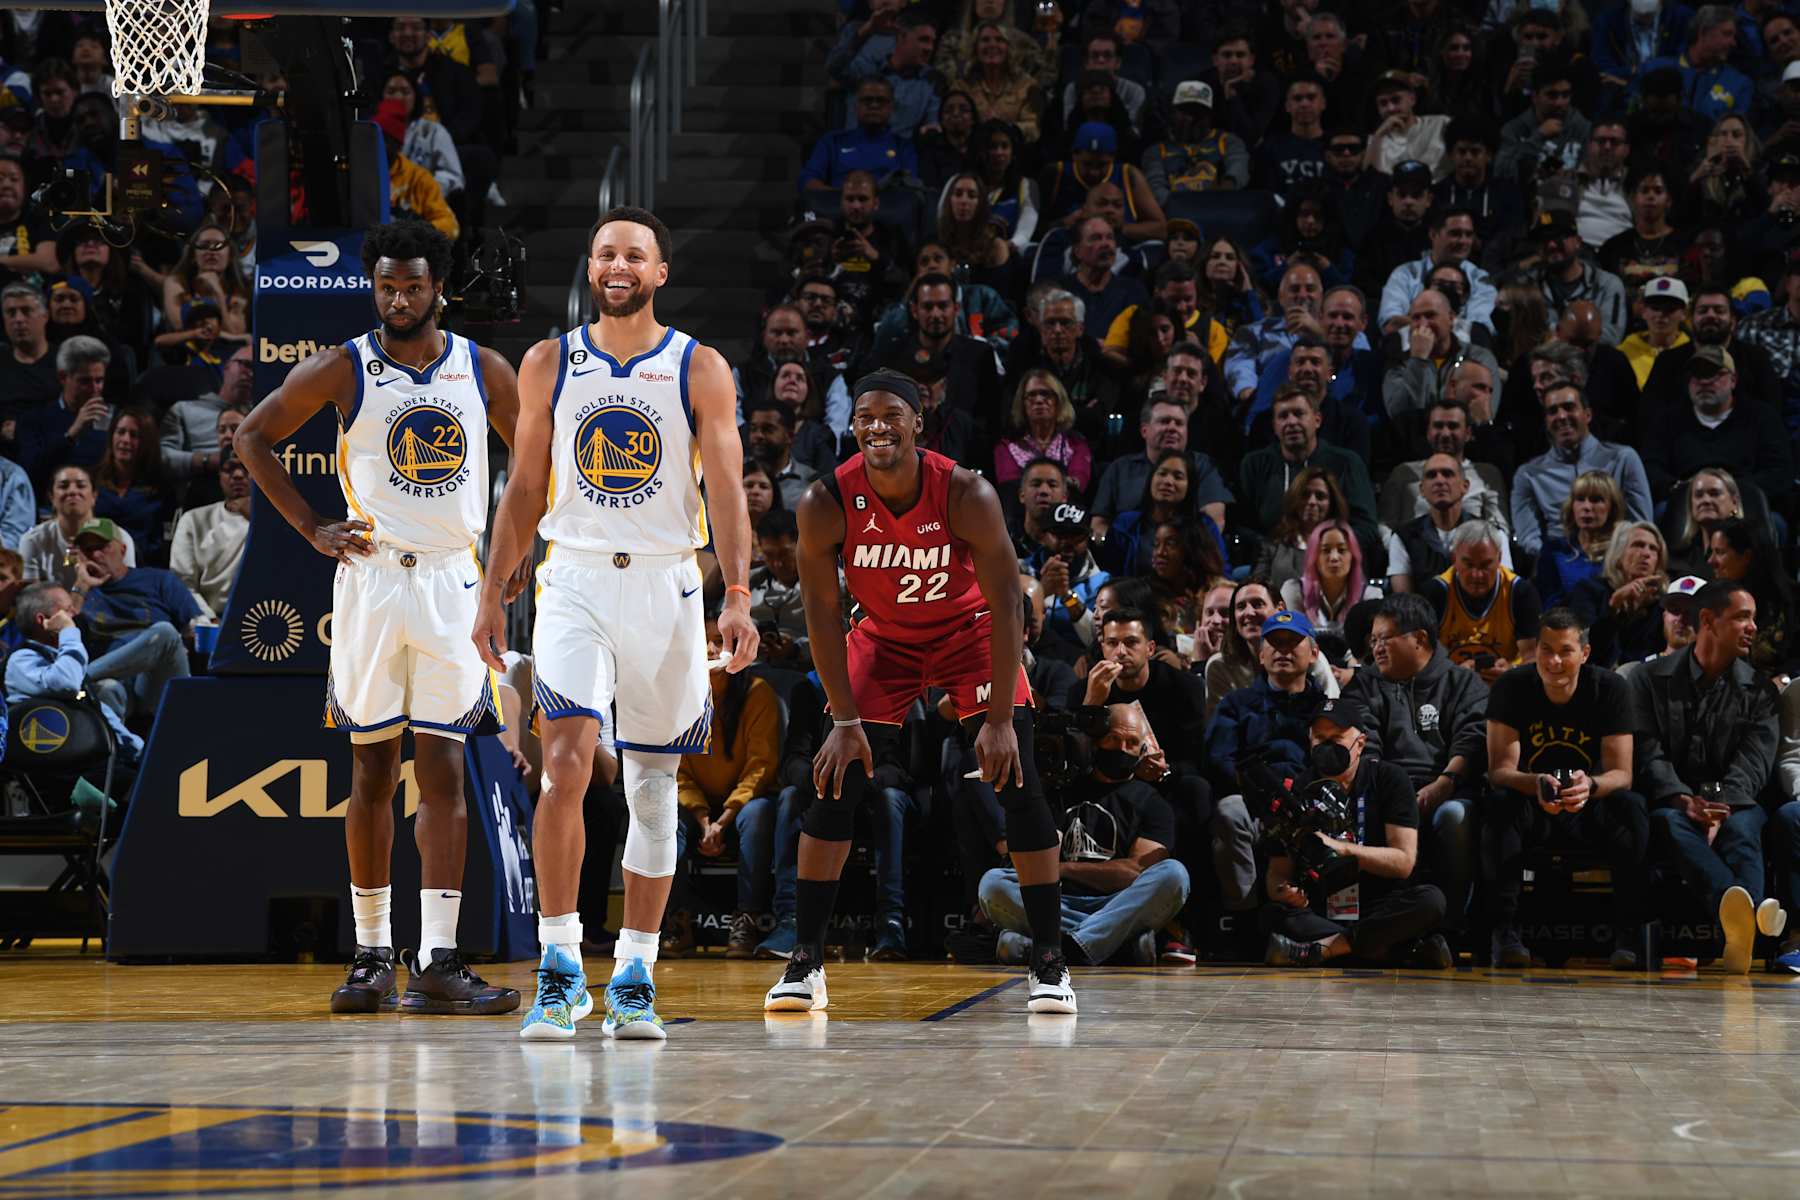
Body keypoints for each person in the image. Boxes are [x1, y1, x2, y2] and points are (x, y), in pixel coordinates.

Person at [471, 207, 754, 1039]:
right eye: (605, 254)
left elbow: (727, 490)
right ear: (590, 268)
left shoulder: (699, 367)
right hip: (577, 578)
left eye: (634, 255)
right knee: (564, 765)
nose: (618, 266)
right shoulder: (548, 362)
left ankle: (635, 972)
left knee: (653, 787)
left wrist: (738, 593)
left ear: (660, 272)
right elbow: (525, 485)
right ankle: (560, 970)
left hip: (669, 583)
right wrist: (491, 590)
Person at [235, 220, 522, 1020]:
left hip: (452, 582)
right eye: (387, 286)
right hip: (371, 579)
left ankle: (438, 959)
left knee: (445, 772)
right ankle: (370, 956)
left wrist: (517, 547)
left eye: (413, 286)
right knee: (370, 772)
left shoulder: (482, 368)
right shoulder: (342, 366)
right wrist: (310, 527)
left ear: (439, 288)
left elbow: (535, 462)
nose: (399, 299)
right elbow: (253, 438)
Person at [768, 368, 1075, 1015]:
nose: (878, 427)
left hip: (970, 633)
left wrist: (997, 719)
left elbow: (1008, 603)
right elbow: (822, 614)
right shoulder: (825, 501)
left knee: (1018, 782)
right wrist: (843, 720)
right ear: (853, 428)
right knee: (834, 784)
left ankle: (1049, 961)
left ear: (917, 423)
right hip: (884, 638)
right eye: (865, 417)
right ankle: (806, 961)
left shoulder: (966, 492)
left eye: (891, 415)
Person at [1484, 607, 1651, 969]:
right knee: (1499, 805)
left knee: (1632, 807)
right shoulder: (1511, 686)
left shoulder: (1610, 688)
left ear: (1585, 653)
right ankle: (1504, 932)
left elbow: (1622, 773)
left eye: (1565, 651)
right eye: (1546, 650)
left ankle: (1629, 935)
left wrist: (1589, 784)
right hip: (1532, 800)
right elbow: (1499, 771)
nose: (1554, 661)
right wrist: (1535, 783)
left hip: (1588, 802)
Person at [1633, 580, 1783, 973]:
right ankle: (1749, 918)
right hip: (1673, 802)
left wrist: (1720, 808)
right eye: (1742, 617)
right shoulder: (1648, 680)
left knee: (1743, 829)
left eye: (1754, 618)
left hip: (1736, 801)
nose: (1753, 627)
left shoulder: (1761, 691)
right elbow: (1647, 752)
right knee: (1670, 823)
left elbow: (1754, 763)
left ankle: (1739, 929)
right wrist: (1683, 799)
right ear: (1708, 621)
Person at [979, 701, 1188, 966]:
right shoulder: (1062, 791)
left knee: (1174, 875)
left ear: (1143, 750)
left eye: (1132, 743)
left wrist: (1063, 869)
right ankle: (1109, 944)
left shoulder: (1152, 803)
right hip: (1058, 901)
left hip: (1119, 904)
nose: (1122, 749)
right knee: (993, 883)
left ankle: (1052, 946)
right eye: (1114, 738)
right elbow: (1043, 856)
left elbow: (1134, 872)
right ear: (1097, 739)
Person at [1261, 695, 1450, 968]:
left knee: (1431, 900)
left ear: (1360, 743)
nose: (1327, 746)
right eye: (1320, 739)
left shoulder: (1390, 779)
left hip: (1381, 904)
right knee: (1271, 915)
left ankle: (1325, 950)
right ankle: (1396, 951)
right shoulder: (1298, 789)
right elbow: (1278, 872)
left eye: (1336, 739)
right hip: (1323, 907)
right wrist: (1284, 891)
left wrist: (1342, 849)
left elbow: (1403, 862)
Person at [1348, 594, 1489, 935]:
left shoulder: (1462, 682)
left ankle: (1450, 929)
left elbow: (1472, 739)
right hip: (1385, 789)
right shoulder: (1365, 683)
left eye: (1385, 639)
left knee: (1454, 817)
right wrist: (1395, 795)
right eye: (1373, 640)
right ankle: (1379, 926)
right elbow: (1366, 744)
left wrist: (1444, 783)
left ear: (1420, 639)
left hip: (1449, 786)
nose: (1376, 648)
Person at [663, 614, 782, 960]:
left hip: (743, 805)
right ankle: (676, 921)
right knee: (664, 816)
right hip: (696, 806)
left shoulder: (758, 694)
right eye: (704, 641)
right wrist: (704, 821)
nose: (711, 649)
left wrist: (722, 821)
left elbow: (761, 767)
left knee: (759, 815)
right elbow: (678, 770)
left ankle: (747, 920)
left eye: (720, 641)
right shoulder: (679, 696)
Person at [1206, 609, 1330, 912]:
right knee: (1229, 810)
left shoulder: (1327, 708)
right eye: (1275, 643)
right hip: (1254, 804)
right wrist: (1264, 795)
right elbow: (1219, 759)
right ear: (1262, 655)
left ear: (1314, 653)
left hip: (1310, 806)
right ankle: (1244, 915)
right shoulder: (1236, 703)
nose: (1283, 650)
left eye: (1292, 642)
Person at [62, 517, 195, 720]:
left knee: (166, 632)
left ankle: (79, 677)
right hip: (116, 684)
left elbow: (195, 627)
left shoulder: (159, 580)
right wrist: (81, 585)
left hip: (156, 681)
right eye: (88, 550)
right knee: (107, 688)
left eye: (103, 547)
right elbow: (63, 635)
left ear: (123, 550)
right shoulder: (80, 594)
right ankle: (119, 742)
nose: (95, 555)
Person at [5, 581, 141, 766]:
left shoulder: (60, 660)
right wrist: (68, 632)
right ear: (43, 620)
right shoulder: (21, 660)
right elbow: (67, 683)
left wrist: (141, 755)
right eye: (68, 610)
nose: (75, 614)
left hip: (96, 762)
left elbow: (104, 717)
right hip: (55, 770)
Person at [1641, 345, 1795, 507]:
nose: (1704, 381)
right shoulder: (1668, 419)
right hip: (1685, 503)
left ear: (1733, 380)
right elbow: (1651, 467)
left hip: (1746, 502)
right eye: (1697, 374)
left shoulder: (1761, 416)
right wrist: (1681, 488)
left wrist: (1731, 491)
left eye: (1713, 374)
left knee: (1772, 519)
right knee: (1662, 511)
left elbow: (1780, 471)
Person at [1510, 384, 1653, 558]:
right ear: (1546, 422)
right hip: (1557, 561)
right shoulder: (1528, 474)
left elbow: (1640, 525)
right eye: (1553, 411)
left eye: (1569, 407)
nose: (1561, 416)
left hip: (1615, 560)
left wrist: (1613, 559)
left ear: (1588, 415)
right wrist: (1558, 562)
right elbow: (1528, 537)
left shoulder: (1623, 459)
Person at [1238, 385, 1379, 546]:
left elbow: (1366, 529)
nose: (1291, 422)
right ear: (1274, 426)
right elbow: (1243, 526)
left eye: (1299, 414)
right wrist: (1275, 551)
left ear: (1317, 420)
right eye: (1283, 416)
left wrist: (1322, 547)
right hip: (1272, 557)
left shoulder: (1347, 463)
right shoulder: (1254, 464)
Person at [1088, 396, 1231, 538]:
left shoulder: (1204, 466)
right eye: (1164, 421)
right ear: (1144, 430)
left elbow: (1215, 521)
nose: (1172, 428)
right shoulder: (1119, 469)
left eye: (1179, 423)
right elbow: (1098, 524)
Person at [1419, 521, 1542, 681]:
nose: (1477, 575)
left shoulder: (1520, 592)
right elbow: (1421, 657)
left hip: (1506, 686)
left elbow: (1531, 656)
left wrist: (1512, 672)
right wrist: (1453, 673)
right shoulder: (1435, 592)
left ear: (1499, 558)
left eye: (1485, 565)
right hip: (1449, 686)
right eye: (1469, 565)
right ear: (1454, 558)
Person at [1379, 395, 1508, 533]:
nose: (1445, 433)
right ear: (1428, 432)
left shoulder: (1487, 474)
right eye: (1438, 426)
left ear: (1468, 433)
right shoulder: (1403, 473)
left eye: (1453, 426)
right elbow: (1385, 527)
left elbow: (1500, 530)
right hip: (1413, 545)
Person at [1386, 452, 1514, 591]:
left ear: (1465, 486)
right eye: (1431, 475)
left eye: (1448, 474)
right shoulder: (1403, 537)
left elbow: (1503, 591)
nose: (1440, 481)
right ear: (1422, 489)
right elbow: (1404, 598)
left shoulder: (1494, 535)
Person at [14, 334, 111, 490]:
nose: (95, 389)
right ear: (63, 377)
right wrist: (71, 435)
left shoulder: (115, 418)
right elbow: (29, 473)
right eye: (85, 381)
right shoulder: (33, 420)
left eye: (99, 380)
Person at [1706, 516, 1798, 676]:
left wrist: (1786, 678)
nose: (1710, 561)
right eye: (1711, 552)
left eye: (1720, 552)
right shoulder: (1715, 602)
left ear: (1746, 557)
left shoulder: (1794, 600)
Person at [1571, 521, 1670, 667]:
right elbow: (1582, 651)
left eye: (1653, 548)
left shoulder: (1663, 605)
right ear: (1619, 553)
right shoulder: (1589, 591)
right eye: (1638, 545)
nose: (1646, 553)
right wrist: (1613, 608)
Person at [20, 463, 136, 587]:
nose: (72, 491)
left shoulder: (119, 538)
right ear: (51, 497)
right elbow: (31, 595)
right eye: (63, 486)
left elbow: (128, 589)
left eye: (81, 486)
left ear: (94, 496)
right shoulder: (33, 540)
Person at [1531, 470, 1629, 609]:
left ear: (1612, 508)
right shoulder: (1554, 551)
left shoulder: (1623, 551)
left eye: (1596, 500)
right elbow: (1548, 603)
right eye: (1580, 499)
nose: (1587, 507)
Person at [168, 449, 249, 618]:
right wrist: (208, 620)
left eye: (246, 467)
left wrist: (254, 516)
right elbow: (183, 583)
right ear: (219, 475)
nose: (238, 475)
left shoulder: (274, 522)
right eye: (230, 469)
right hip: (209, 618)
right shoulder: (193, 520)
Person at [1532, 211, 1629, 344]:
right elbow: (1525, 336)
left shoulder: (1607, 284)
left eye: (1559, 238)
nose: (1552, 245)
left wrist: (1559, 334)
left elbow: (1611, 337)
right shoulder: (1529, 285)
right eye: (1544, 240)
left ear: (1578, 242)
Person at [994, 369, 1092, 495]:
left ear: (1058, 401)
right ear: (1022, 404)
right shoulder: (1006, 447)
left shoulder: (1076, 444)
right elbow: (1009, 486)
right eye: (1031, 395)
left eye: (1046, 394)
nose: (1039, 400)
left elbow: (1078, 483)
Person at [1282, 519, 1384, 637]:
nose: (1334, 557)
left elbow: (1371, 642)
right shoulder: (1293, 590)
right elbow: (1291, 640)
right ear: (1313, 557)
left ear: (1353, 556)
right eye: (1326, 550)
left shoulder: (1370, 596)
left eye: (1342, 550)